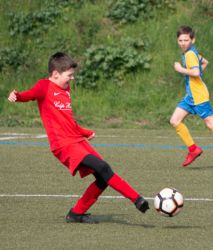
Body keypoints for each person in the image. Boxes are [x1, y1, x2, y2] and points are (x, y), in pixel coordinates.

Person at [7, 52, 150, 224]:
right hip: (63, 145)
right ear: (55, 74)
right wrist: (17, 96)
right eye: (69, 75)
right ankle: (137, 199)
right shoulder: (43, 86)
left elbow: (68, 120)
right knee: (103, 167)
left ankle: (76, 213)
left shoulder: (66, 89)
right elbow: (28, 95)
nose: (72, 78)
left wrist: (85, 132)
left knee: (103, 177)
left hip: (77, 140)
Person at [170, 26, 213, 167]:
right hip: (191, 96)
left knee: (211, 123)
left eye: (186, 40)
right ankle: (193, 149)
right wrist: (195, 77)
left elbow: (196, 72)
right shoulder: (191, 52)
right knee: (175, 120)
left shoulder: (189, 55)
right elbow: (205, 62)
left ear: (193, 39)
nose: (183, 43)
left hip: (198, 96)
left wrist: (181, 69)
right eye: (180, 40)